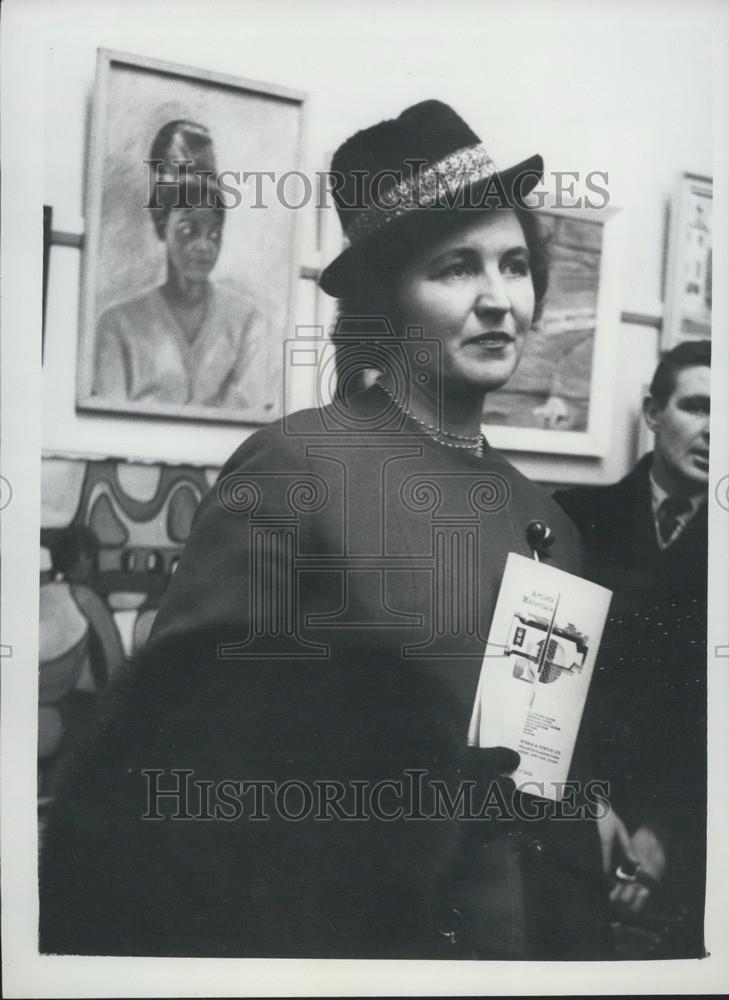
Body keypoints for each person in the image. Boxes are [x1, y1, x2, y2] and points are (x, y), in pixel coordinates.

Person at [41, 100, 613, 959]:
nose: (500, 300)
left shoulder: (547, 519)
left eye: (515, 266)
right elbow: (170, 760)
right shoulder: (297, 467)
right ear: (386, 298)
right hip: (355, 944)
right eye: (457, 268)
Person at [554, 340, 710, 956]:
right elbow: (539, 683)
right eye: (698, 406)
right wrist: (584, 803)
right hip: (572, 817)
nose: (715, 430)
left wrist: (668, 834)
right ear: (652, 412)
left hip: (696, 844)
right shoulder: (574, 518)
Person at [94, 120, 267, 409]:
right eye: (188, 230)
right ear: (163, 226)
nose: (203, 246)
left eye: (214, 233)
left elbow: (250, 418)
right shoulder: (118, 326)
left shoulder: (247, 322)